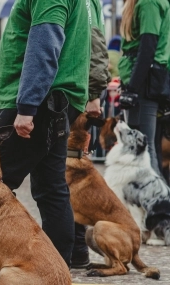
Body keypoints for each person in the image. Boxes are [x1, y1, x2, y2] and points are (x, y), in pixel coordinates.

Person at [0, 0, 92, 269]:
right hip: (52, 101)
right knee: (51, 188)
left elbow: (44, 47)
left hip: (38, 102)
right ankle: (55, 267)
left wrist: (26, 107)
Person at [72, 0, 110, 269]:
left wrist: (94, 94)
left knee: (69, 179)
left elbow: (95, 45)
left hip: (80, 96)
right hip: (81, 92)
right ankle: (77, 252)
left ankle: (76, 253)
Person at [118, 0, 170, 175]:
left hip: (143, 84)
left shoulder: (149, 2)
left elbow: (148, 47)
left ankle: (159, 201)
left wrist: (132, 88)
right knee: (145, 149)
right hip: (141, 81)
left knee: (144, 151)